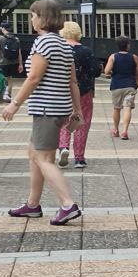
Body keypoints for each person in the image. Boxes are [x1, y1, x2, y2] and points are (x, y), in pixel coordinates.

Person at [1, 0, 83, 225]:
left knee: (44, 158)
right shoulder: (64, 44)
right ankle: (32, 205)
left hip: (47, 109)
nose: (31, 19)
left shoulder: (43, 43)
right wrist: (77, 111)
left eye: (33, 15)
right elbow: (73, 81)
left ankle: (67, 204)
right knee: (33, 153)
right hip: (59, 108)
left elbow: (34, 77)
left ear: (43, 18)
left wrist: (14, 103)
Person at [57, 20, 96, 168]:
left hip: (62, 92)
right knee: (81, 122)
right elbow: (96, 71)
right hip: (83, 91)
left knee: (64, 120)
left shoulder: (59, 49)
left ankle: (63, 147)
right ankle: (79, 158)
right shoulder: (85, 51)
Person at [104, 37, 138, 140]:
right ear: (127, 45)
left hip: (116, 85)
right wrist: (136, 84)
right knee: (127, 108)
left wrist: (113, 73)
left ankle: (115, 130)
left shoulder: (113, 57)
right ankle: (124, 131)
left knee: (117, 108)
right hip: (130, 85)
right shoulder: (134, 57)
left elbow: (106, 71)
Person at [0, 25, 21, 99]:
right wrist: (20, 64)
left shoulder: (0, 38)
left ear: (4, 29)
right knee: (10, 78)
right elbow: (19, 53)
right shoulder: (16, 39)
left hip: (2, 62)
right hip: (13, 62)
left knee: (2, 78)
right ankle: (8, 95)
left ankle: (3, 95)